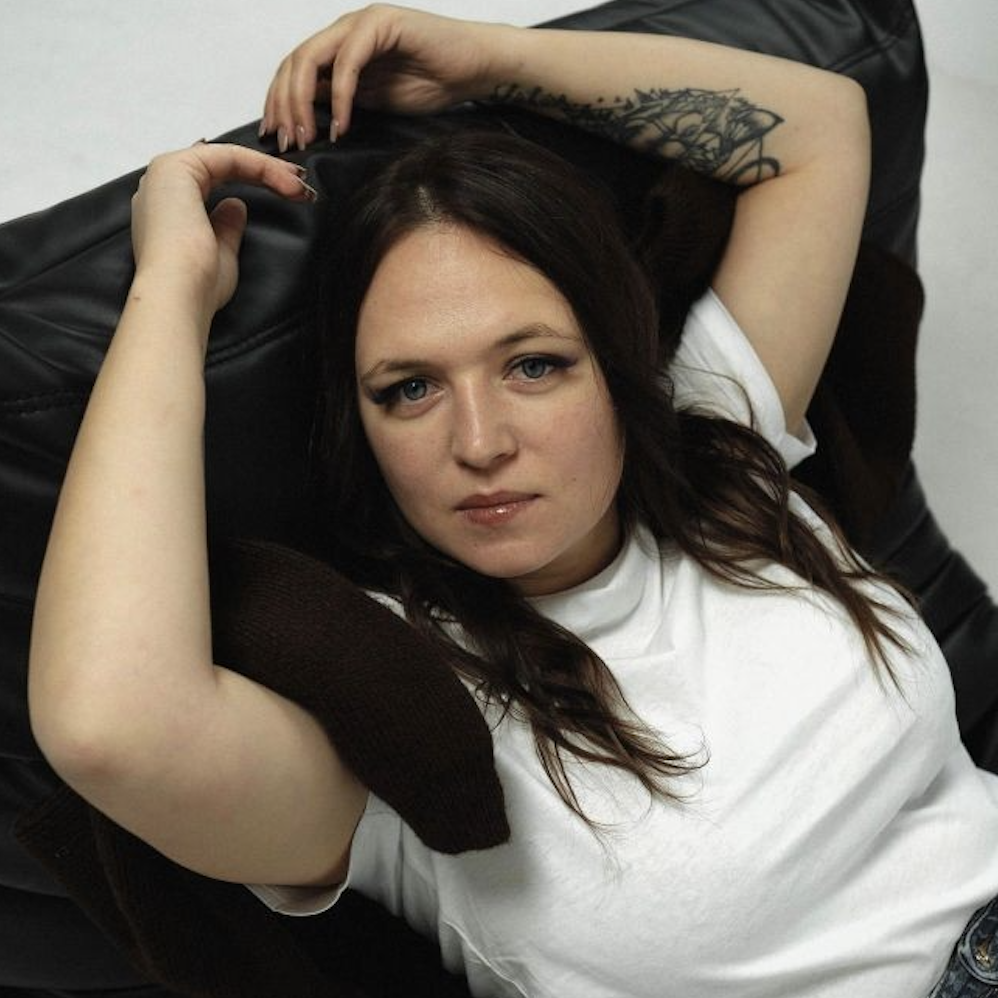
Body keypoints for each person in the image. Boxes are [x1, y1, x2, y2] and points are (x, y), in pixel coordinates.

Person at [24, 6, 998, 997]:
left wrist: (490, 61)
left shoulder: (715, 449)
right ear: (361, 428)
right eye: (409, 389)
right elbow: (112, 723)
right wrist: (171, 293)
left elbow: (822, 127)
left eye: (533, 365)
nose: (481, 442)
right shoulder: (406, 711)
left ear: (613, 369)